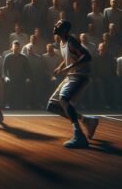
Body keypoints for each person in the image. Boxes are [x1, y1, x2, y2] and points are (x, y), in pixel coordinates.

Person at [46, 20, 99, 148]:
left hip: (80, 75)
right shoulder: (60, 41)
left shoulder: (72, 41)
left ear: (64, 30)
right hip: (71, 76)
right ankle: (87, 120)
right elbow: (69, 57)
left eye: (58, 25)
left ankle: (79, 136)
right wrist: (61, 66)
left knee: (64, 100)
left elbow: (87, 56)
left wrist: (69, 67)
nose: (54, 25)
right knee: (52, 106)